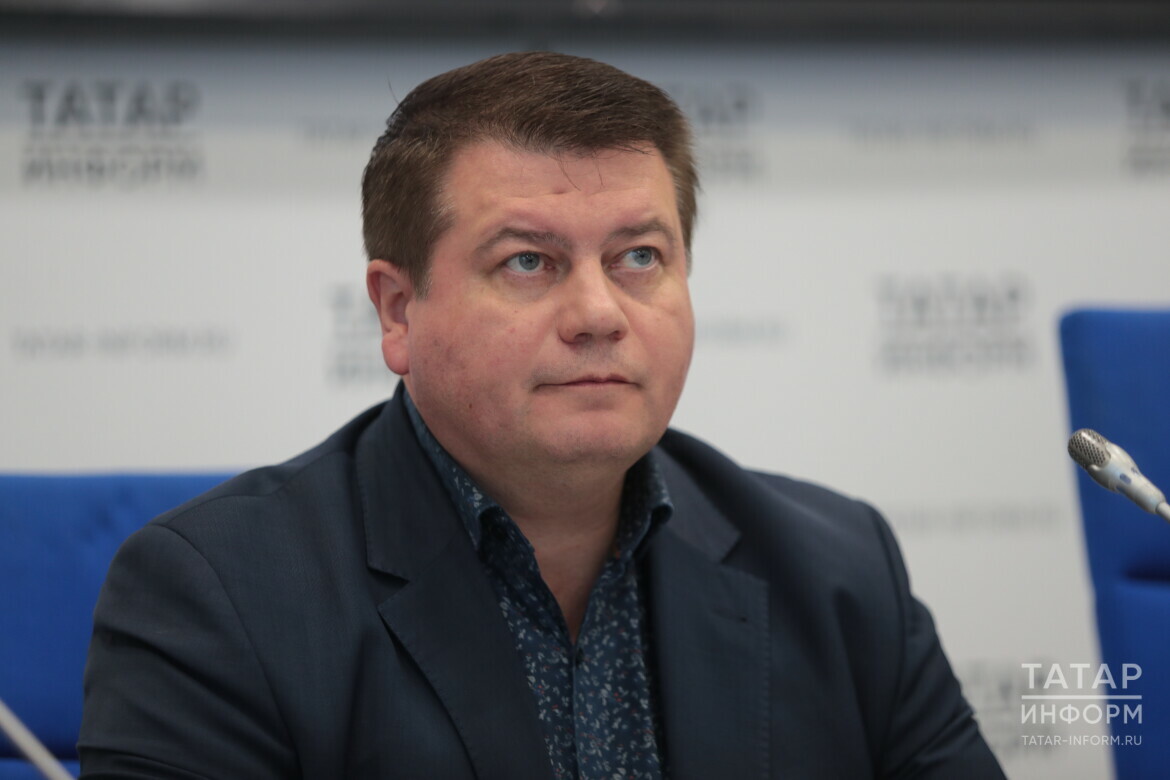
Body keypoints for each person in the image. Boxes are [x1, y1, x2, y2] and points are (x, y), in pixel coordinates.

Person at [79, 52, 1005, 779]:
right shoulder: (221, 599)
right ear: (398, 311)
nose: (600, 313)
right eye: (528, 262)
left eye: (639, 257)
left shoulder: (839, 573)